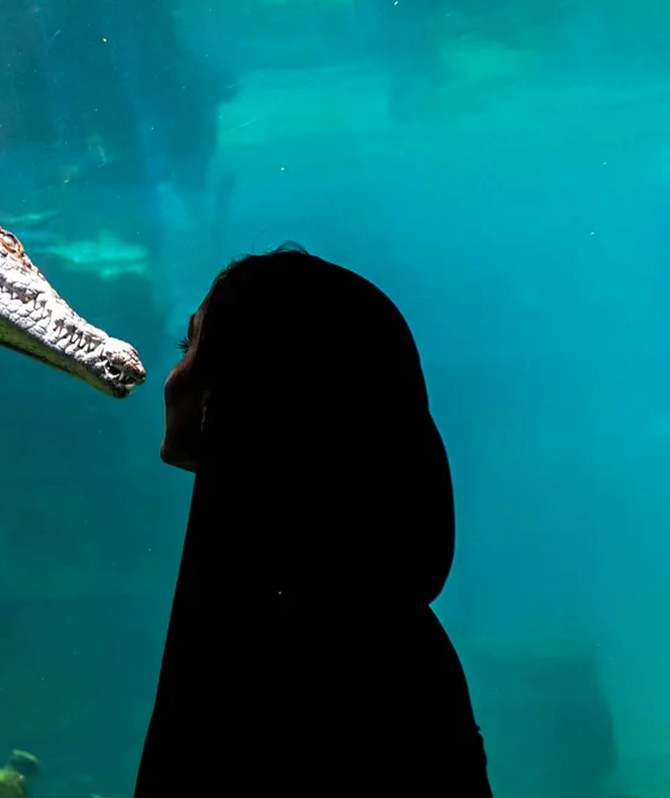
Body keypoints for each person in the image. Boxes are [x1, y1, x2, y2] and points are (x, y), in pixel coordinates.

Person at [136, 243, 493, 795]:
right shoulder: (396, 640)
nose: (172, 376)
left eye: (191, 346)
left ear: (240, 385)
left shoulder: (266, 650)